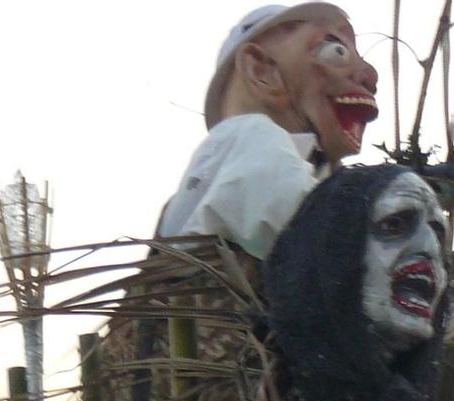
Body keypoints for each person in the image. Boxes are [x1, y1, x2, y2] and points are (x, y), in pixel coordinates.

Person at [158, 3, 380, 258]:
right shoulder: (251, 134)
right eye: (336, 52)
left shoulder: (300, 166)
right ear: (261, 71)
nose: (369, 77)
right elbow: (297, 221)